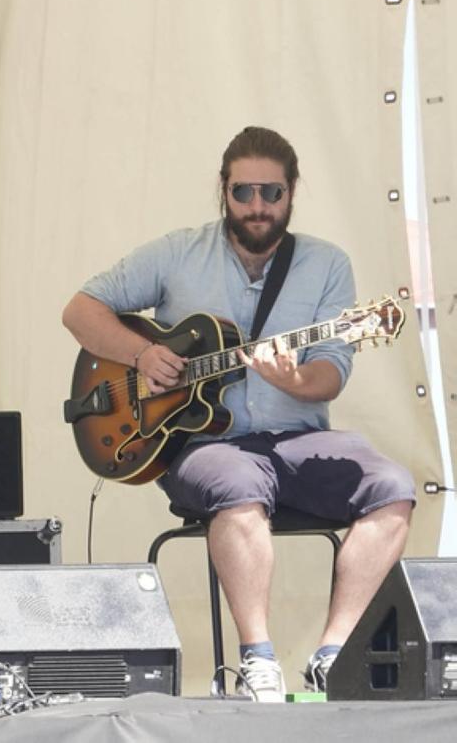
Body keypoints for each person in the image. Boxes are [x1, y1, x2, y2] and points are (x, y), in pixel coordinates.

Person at [61, 126, 414, 701]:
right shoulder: (177, 253)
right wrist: (143, 354)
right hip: (203, 448)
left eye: (271, 194)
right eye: (243, 192)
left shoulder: (327, 265)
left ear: (292, 193)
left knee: (394, 486)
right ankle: (260, 661)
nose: (257, 207)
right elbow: (81, 309)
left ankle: (333, 654)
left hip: (297, 438)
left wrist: (294, 380)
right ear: (222, 189)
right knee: (238, 485)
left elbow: (332, 369)